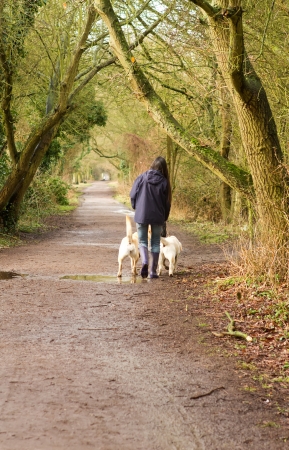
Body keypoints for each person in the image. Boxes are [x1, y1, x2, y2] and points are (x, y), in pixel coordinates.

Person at [130, 156, 172, 279]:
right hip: (158, 216)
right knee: (154, 242)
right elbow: (167, 203)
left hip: (141, 214)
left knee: (142, 241)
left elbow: (133, 194)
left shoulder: (141, 177)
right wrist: (165, 217)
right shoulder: (164, 182)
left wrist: (135, 207)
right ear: (164, 168)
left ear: (153, 165)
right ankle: (153, 272)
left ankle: (144, 262)